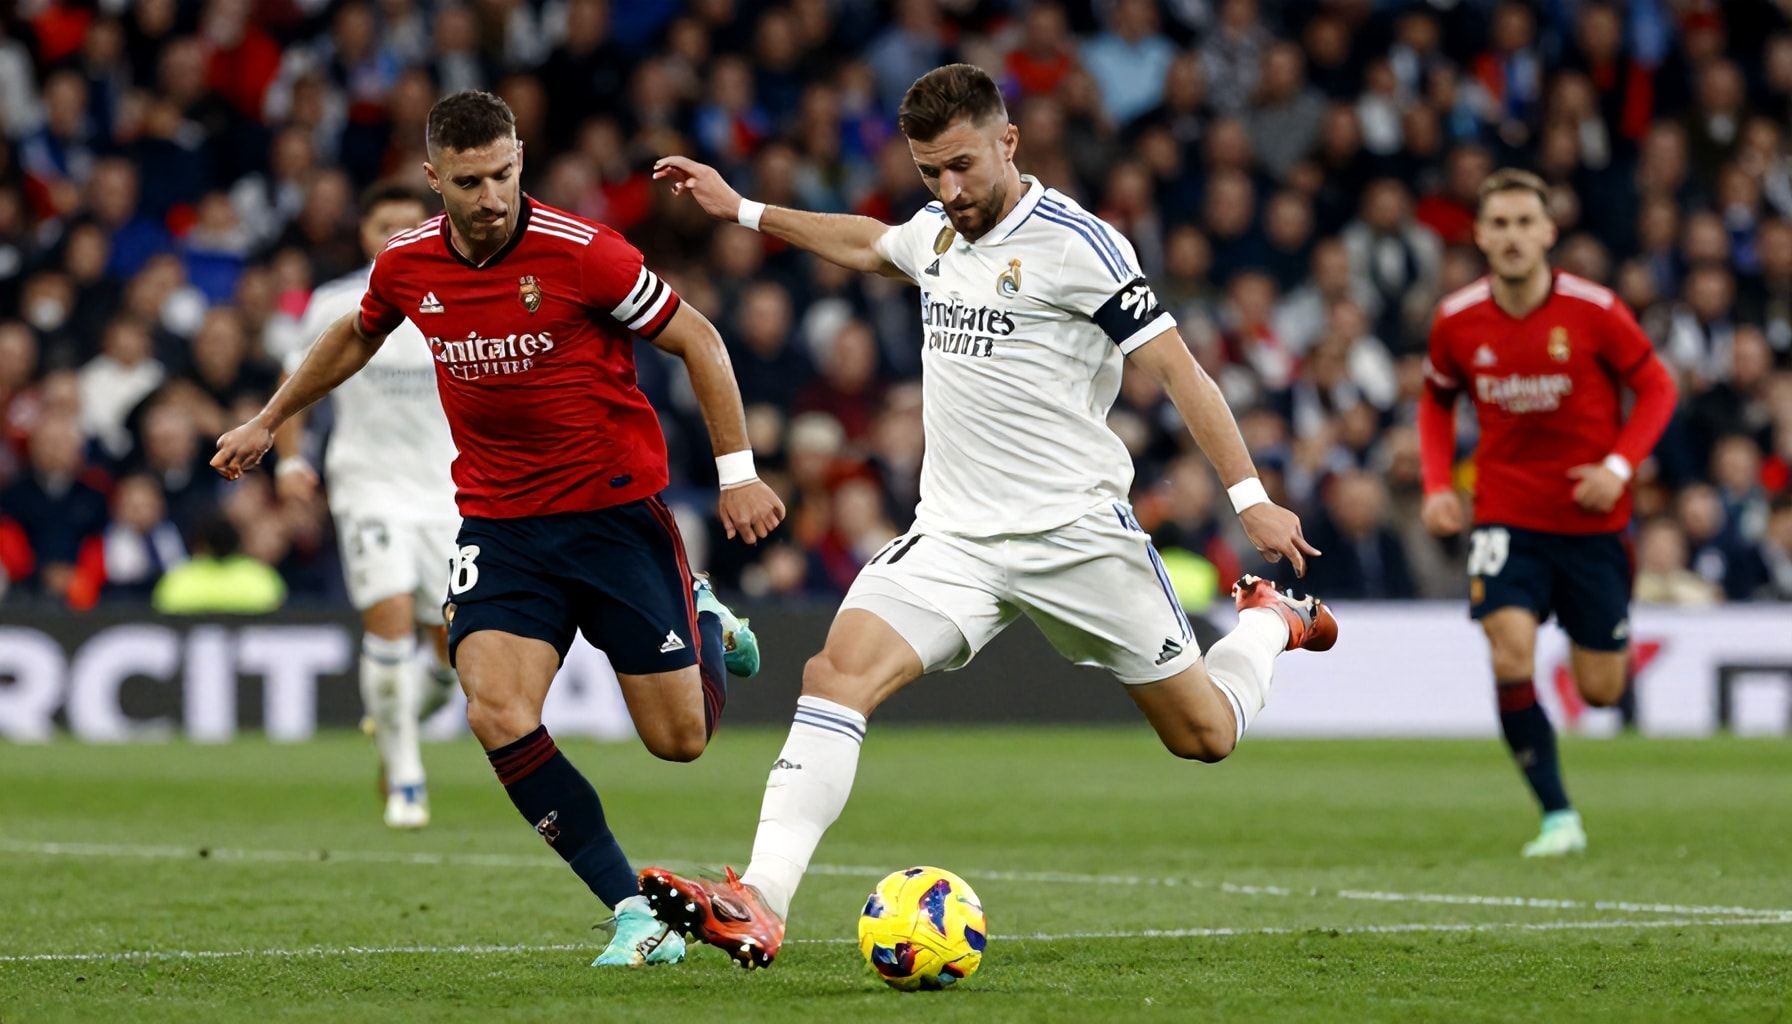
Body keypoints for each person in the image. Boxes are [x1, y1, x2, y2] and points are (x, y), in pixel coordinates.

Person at [637, 64, 1335, 970]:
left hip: (1077, 537)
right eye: (930, 171)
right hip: (955, 538)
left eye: (962, 165)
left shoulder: (1081, 246)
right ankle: (760, 900)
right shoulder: (937, 230)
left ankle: (1270, 624)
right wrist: (742, 209)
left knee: (1204, 735)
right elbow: (870, 243)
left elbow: (1179, 370)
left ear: (1009, 141)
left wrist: (1250, 497)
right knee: (835, 674)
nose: (949, 189)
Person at [212, 91, 785, 967]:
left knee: (680, 742)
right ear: (434, 178)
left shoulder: (584, 252)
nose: (491, 198)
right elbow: (355, 335)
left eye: (504, 175)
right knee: (495, 711)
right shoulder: (407, 262)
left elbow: (699, 339)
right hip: (501, 525)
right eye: (470, 182)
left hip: (613, 518)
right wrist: (268, 419)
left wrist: (737, 474)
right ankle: (633, 910)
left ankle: (702, 615)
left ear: (521, 160)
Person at [1417, 168, 1677, 858]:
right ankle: (1558, 815)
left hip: (1592, 525)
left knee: (1601, 690)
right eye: (1498, 224)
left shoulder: (1596, 310)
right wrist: (1438, 484)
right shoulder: (1456, 319)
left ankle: (1590, 632)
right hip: (1506, 517)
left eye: (1524, 223)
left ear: (1548, 232)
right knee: (1509, 653)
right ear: (1479, 235)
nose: (1512, 236)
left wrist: (1618, 468)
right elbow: (1436, 401)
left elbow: (1657, 388)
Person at [271, 183, 461, 831]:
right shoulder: (335, 302)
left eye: (409, 224)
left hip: (449, 493)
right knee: (389, 618)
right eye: (385, 226)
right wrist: (290, 460)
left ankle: (393, 717)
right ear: (365, 233)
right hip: (367, 487)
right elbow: (297, 383)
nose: (396, 236)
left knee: (454, 653)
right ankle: (405, 779)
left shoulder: (461, 294)